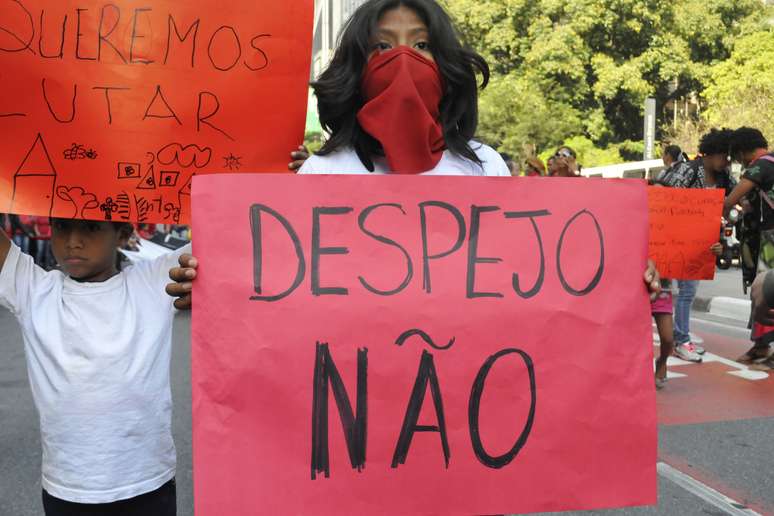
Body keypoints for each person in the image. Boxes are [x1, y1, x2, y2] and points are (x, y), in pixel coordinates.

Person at [165, 0, 660, 309]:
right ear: (358, 69)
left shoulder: (483, 166)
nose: (403, 59)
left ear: (444, 67)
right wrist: (211, 288)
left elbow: (533, 273)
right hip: (356, 395)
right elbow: (276, 286)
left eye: (420, 45)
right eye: (383, 48)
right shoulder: (321, 171)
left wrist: (622, 278)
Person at [0, 220, 189, 515]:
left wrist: (285, 177)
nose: (73, 241)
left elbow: (232, 228)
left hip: (147, 484)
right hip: (68, 489)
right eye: (61, 227)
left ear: (123, 234)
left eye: (90, 228)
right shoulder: (32, 290)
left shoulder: (154, 281)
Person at [658, 128, 736, 362]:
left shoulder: (724, 177)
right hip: (674, 239)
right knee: (674, 292)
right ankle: (680, 340)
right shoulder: (688, 169)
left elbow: (729, 202)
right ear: (711, 153)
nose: (727, 161)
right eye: (725, 156)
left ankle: (680, 339)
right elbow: (663, 194)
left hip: (700, 243)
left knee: (687, 292)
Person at [723, 127, 774, 368]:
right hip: (765, 239)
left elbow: (731, 200)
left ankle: (763, 346)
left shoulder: (760, 165)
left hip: (771, 241)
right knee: (762, 291)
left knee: (764, 291)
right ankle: (761, 344)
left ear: (743, 150)